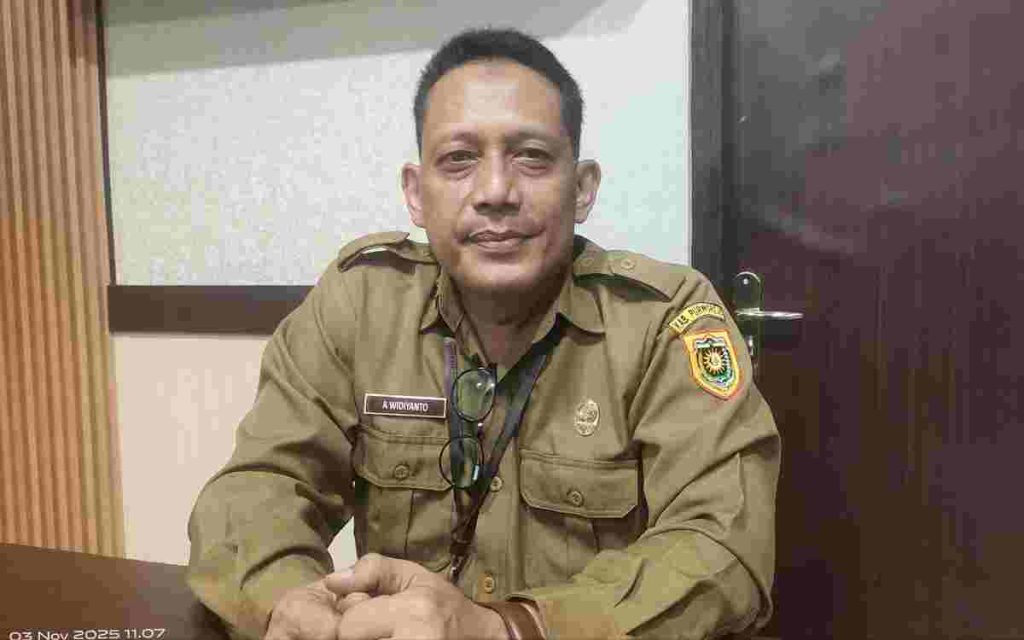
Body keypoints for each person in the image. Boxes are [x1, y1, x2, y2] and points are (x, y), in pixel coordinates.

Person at [187, 27, 780, 640]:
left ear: (582, 189)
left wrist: (506, 629)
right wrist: (285, 600)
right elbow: (259, 486)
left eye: (532, 157)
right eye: (459, 160)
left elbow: (725, 546)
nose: (495, 192)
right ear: (416, 194)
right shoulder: (360, 303)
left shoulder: (662, 320)